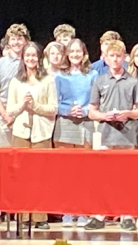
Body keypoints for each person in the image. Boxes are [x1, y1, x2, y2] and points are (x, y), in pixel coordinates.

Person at [85, 40, 138, 231]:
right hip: (105, 135)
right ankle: (100, 214)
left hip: (126, 137)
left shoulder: (132, 81)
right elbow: (91, 111)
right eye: (111, 56)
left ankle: (126, 215)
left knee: (126, 178)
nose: (115, 59)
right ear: (106, 58)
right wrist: (105, 116)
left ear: (124, 58)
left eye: (118, 56)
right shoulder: (100, 80)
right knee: (104, 178)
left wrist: (127, 114)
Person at [6, 41, 58, 229]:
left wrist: (35, 106)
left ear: (39, 58)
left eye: (34, 56)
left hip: (41, 133)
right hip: (20, 131)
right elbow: (10, 110)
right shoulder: (15, 81)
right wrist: (22, 106)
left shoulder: (48, 80)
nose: (30, 59)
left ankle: (39, 217)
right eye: (27, 56)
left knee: (39, 176)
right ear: (23, 58)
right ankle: (22, 216)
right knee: (20, 176)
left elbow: (53, 108)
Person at [0, 24, 28, 224]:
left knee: (25, 165)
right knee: (1, 165)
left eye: (20, 39)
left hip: (26, 118)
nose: (17, 42)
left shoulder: (31, 62)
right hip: (3, 118)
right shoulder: (0, 64)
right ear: (8, 41)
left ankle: (24, 209)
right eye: (13, 39)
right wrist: (4, 114)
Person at [54, 38, 97, 227]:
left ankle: (83, 212)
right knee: (65, 171)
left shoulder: (93, 75)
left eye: (78, 51)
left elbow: (97, 101)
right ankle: (67, 212)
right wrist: (67, 110)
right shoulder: (59, 76)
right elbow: (54, 102)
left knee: (85, 171)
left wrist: (85, 110)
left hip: (86, 123)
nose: (75, 55)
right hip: (65, 123)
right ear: (67, 55)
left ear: (84, 53)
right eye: (71, 52)